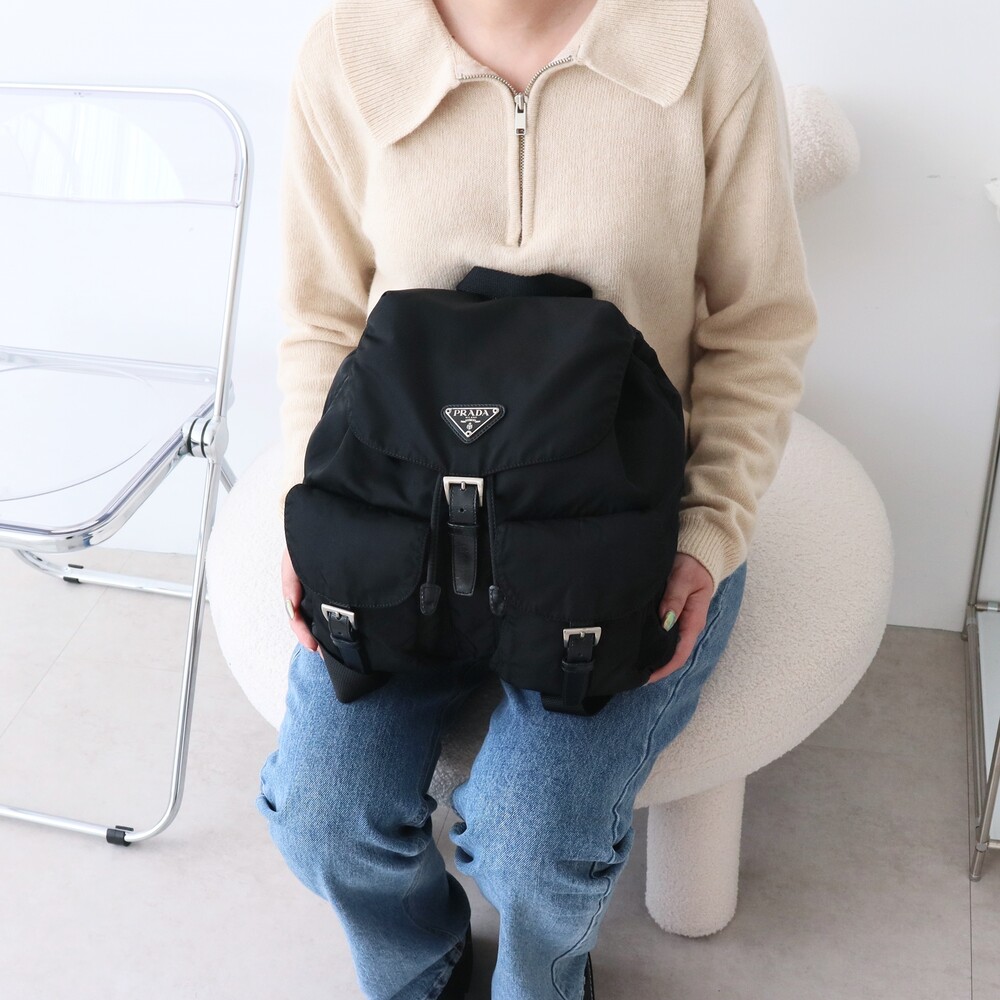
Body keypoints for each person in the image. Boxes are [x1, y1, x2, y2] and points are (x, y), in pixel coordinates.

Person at [258, 0, 819, 997]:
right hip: (405, 512)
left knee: (532, 840)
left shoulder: (703, 32)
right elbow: (322, 318)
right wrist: (320, 507)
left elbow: (758, 320)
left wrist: (708, 530)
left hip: (619, 522)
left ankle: (543, 982)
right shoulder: (350, 47)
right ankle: (418, 967)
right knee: (320, 813)